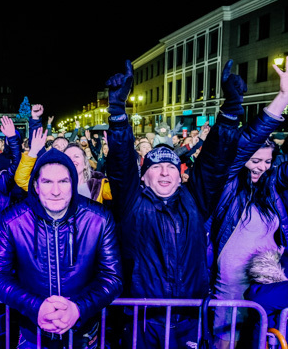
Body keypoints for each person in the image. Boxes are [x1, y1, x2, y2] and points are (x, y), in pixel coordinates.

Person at [105, 59, 243, 348]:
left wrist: (231, 112)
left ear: (181, 177)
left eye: (171, 167)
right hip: (141, 320)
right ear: (144, 178)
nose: (165, 171)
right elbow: (121, 165)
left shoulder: (195, 201)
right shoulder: (132, 203)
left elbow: (215, 162)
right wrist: (118, 112)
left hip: (189, 318)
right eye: (156, 167)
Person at [0, 147, 122, 349]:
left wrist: (78, 308)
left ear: (73, 184)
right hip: (33, 333)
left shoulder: (99, 218)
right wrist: (36, 306)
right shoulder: (12, 220)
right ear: (36, 186)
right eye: (47, 182)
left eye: (63, 182)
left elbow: (113, 277)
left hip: (83, 333)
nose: (56, 191)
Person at [207, 57, 288, 348]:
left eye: (267, 161)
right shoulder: (229, 184)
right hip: (230, 286)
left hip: (267, 281)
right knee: (226, 340)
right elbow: (241, 149)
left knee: (261, 338)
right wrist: (281, 99)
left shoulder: (274, 187)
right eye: (254, 160)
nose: (260, 167)